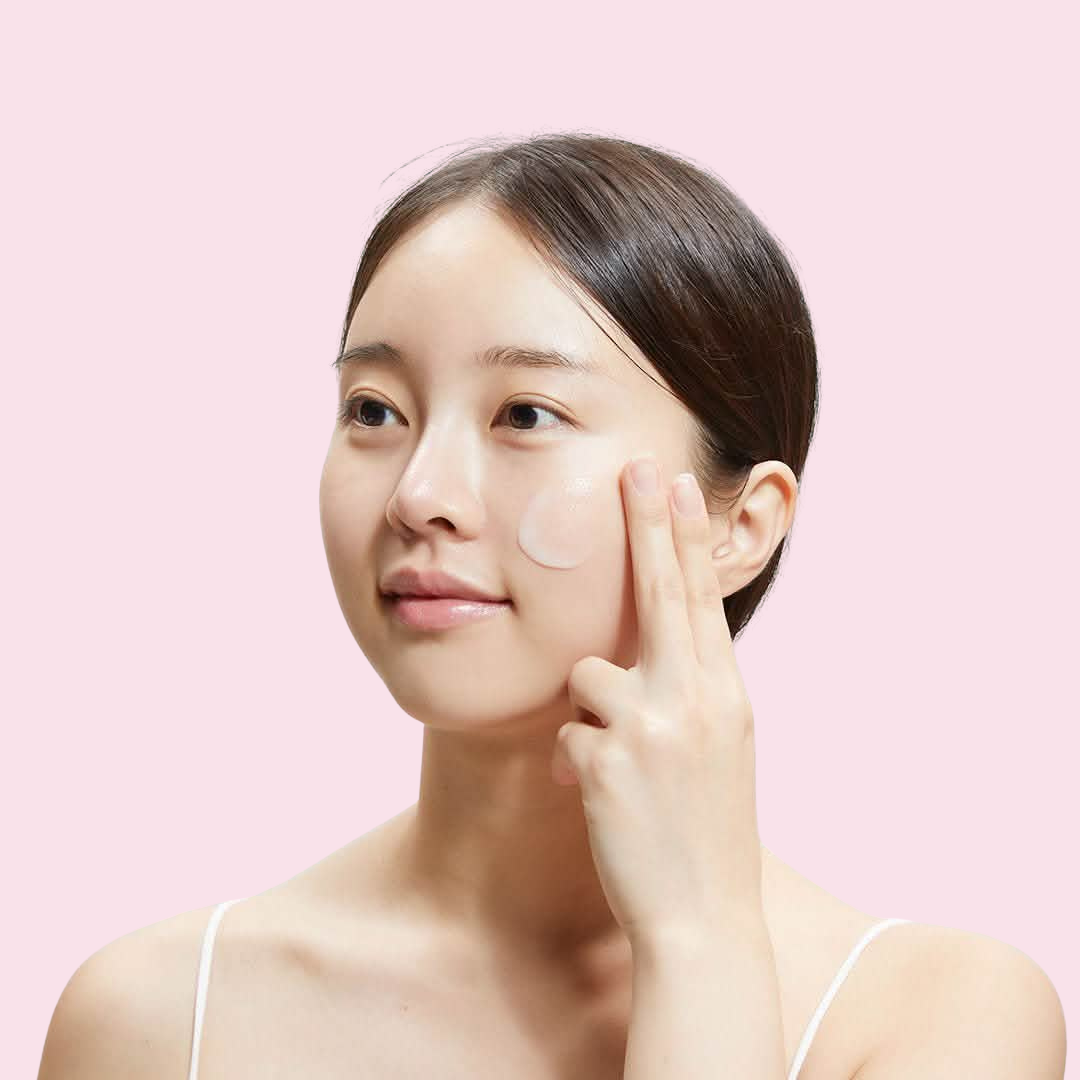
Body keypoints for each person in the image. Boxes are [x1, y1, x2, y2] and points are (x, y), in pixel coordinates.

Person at [37, 132, 1065, 1080]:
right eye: (375, 410)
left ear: (741, 526)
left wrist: (699, 944)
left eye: (526, 414)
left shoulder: (933, 1018)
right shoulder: (154, 1019)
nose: (419, 496)